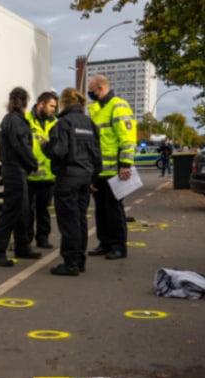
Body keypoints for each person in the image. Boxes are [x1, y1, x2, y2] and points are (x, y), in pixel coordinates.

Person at [42, 88, 101, 276]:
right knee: (80, 219)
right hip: (85, 177)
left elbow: (57, 151)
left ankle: (70, 263)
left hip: (68, 177)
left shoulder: (63, 123)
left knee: (68, 221)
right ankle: (80, 260)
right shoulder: (90, 124)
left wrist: (45, 146)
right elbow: (97, 154)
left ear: (64, 103)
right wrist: (94, 177)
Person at [86, 74, 136, 260]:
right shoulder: (96, 109)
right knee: (100, 210)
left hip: (115, 170)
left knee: (114, 210)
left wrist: (125, 164)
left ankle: (118, 246)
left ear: (100, 88)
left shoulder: (118, 106)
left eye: (91, 90)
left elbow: (127, 138)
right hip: (98, 170)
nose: (90, 93)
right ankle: (104, 243)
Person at [0, 87, 41, 267]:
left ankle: (22, 246)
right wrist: (33, 162)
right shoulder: (16, 121)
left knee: (21, 212)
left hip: (12, 169)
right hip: (15, 170)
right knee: (11, 213)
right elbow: (21, 146)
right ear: (25, 103)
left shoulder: (9, 120)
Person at [23, 91, 58, 249]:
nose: (53, 109)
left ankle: (43, 239)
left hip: (48, 176)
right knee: (27, 211)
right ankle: (27, 238)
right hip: (30, 175)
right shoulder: (26, 121)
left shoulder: (56, 123)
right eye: (51, 106)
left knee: (43, 210)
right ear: (41, 104)